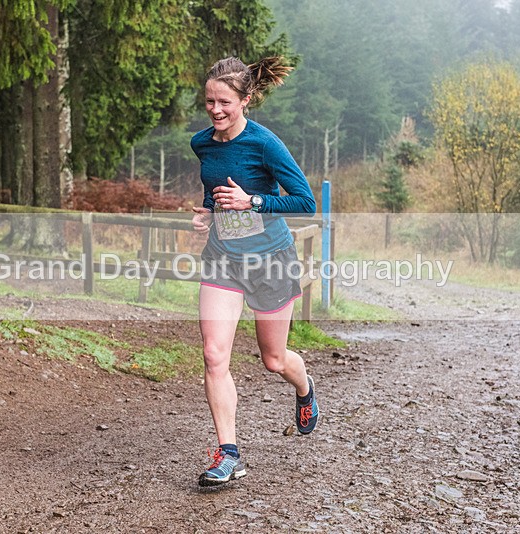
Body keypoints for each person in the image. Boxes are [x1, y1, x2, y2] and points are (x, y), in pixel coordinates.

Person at [190, 56, 318, 487]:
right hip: (223, 258)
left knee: (274, 359)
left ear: (246, 99)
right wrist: (209, 212)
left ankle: (304, 388)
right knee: (213, 354)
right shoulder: (201, 143)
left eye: (224, 101)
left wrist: (254, 202)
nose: (215, 110)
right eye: (209, 101)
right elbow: (215, 188)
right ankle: (228, 453)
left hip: (270, 260)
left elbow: (304, 201)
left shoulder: (265, 143)